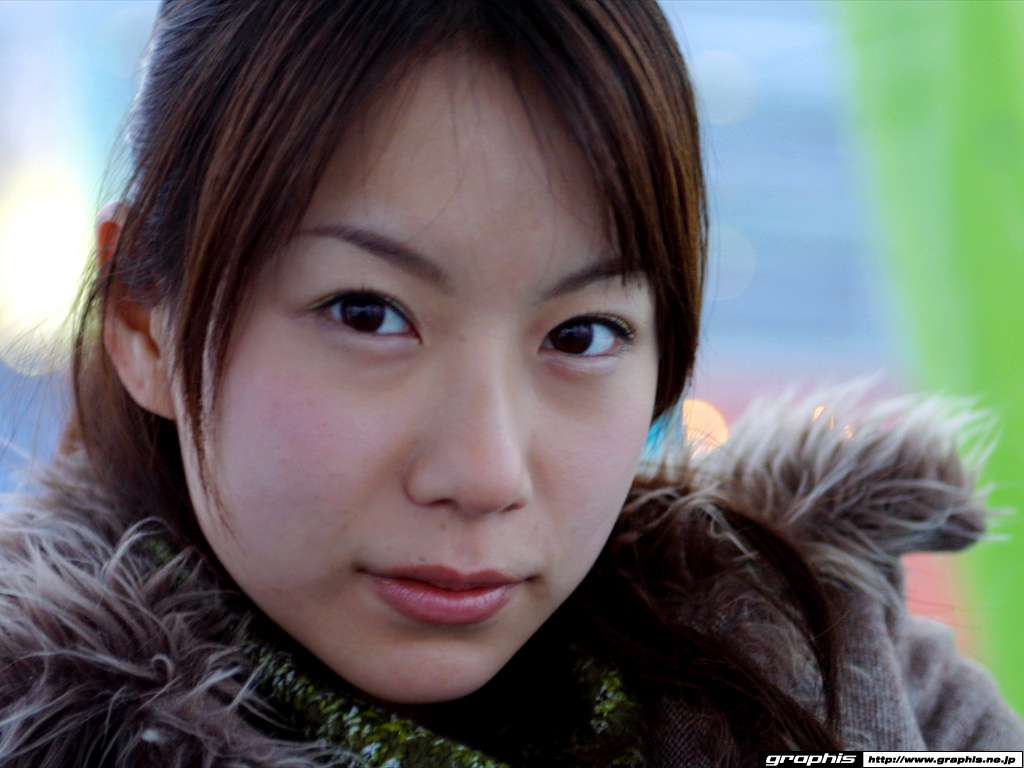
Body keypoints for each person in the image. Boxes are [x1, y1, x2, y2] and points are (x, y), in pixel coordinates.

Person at [0, 1, 1021, 766]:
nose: (485, 474)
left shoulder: (832, 664)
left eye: (581, 334)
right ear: (145, 317)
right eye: (368, 314)